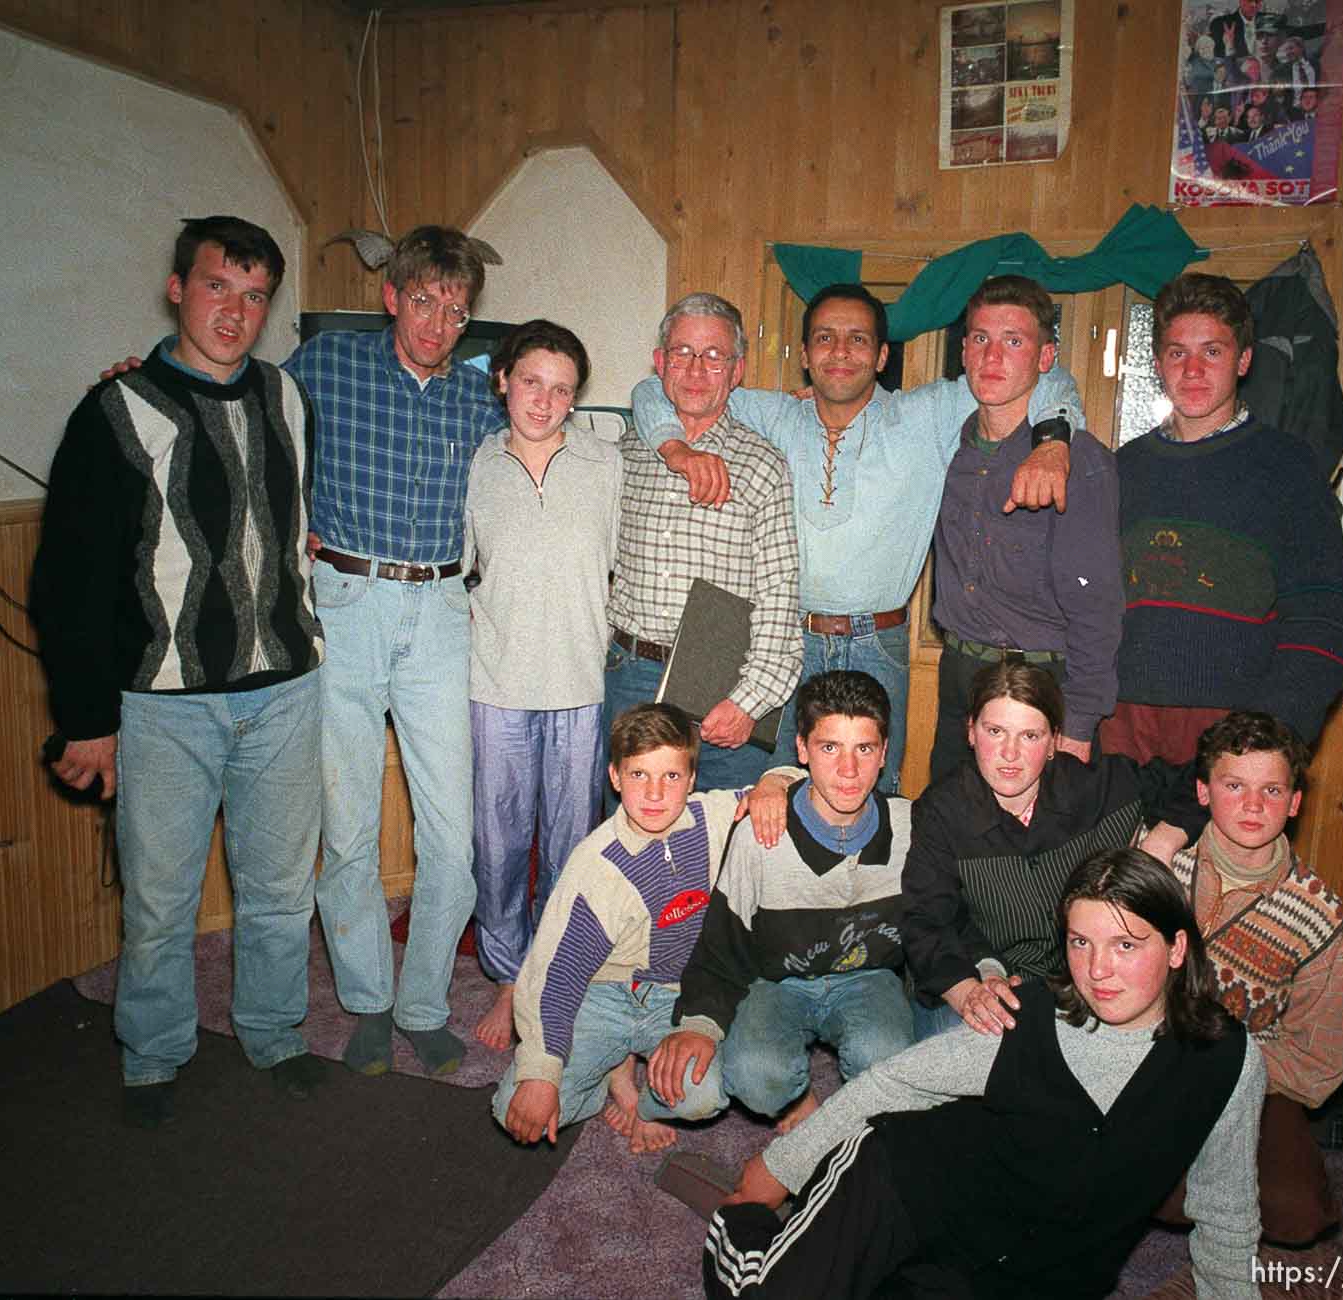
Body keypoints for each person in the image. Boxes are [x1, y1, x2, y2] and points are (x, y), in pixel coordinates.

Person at [33, 216, 325, 1128]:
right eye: (215, 287)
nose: (234, 312)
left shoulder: (286, 397)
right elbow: (68, 581)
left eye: (253, 295)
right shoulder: (114, 412)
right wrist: (87, 719)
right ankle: (155, 1055)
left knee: (281, 892)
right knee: (159, 902)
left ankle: (275, 1033)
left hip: (284, 690)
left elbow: (288, 526)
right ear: (176, 288)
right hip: (163, 706)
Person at [703, 848, 1266, 1300]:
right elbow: (893, 1082)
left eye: (1126, 944)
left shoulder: (1229, 1061)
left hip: (1014, 1277)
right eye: (1080, 943)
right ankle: (739, 1226)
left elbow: (1227, 1213)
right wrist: (778, 1170)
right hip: (903, 1190)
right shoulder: (1025, 1020)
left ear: (1176, 949)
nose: (1098, 970)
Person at [630, 283, 1082, 793]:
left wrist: (1052, 444)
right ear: (804, 355)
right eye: (825, 337)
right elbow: (652, 389)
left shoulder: (926, 415)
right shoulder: (774, 416)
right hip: (783, 647)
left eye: (858, 339)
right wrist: (675, 448)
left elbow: (1051, 378)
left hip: (878, 645)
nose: (840, 351)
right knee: (776, 796)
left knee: (872, 799)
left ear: (882, 355)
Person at [283, 226, 503, 1077]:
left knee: (453, 834)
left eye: (455, 309)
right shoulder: (324, 365)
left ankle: (422, 1005)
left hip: (444, 608)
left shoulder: (481, 400)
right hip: (346, 602)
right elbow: (244, 417)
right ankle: (370, 1002)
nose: (438, 323)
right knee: (347, 829)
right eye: (423, 301)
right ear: (391, 296)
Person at [1099, 272, 1343, 768]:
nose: (1193, 370)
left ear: (1244, 360)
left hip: (1235, 731)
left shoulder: (1288, 467)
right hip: (1122, 729)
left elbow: (1327, 616)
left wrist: (1267, 734)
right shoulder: (1122, 468)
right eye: (1178, 353)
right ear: (1158, 364)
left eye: (1212, 352)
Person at [492, 703, 776, 1154]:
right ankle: (614, 1073)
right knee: (515, 1107)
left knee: (703, 1095)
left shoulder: (711, 819)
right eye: (639, 775)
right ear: (615, 777)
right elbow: (556, 974)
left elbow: (800, 793)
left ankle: (642, 1101)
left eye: (671, 776)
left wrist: (775, 784)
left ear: (692, 779)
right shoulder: (595, 864)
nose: (656, 793)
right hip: (602, 995)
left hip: (675, 996)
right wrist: (541, 1072)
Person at [649, 671, 913, 1134]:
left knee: (886, 1060)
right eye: (830, 748)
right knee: (755, 1075)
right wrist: (700, 1024)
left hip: (869, 979)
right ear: (802, 750)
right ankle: (795, 1101)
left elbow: (941, 925)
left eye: (864, 749)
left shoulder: (912, 828)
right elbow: (721, 946)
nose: (848, 771)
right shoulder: (761, 834)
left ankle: (855, 1129)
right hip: (778, 983)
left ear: (885, 752)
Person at [462, 321, 622, 1051]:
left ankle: (553, 978)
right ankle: (504, 976)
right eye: (531, 381)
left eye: (562, 389)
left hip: (581, 682)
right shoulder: (474, 464)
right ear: (502, 379)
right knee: (497, 844)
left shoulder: (606, 463)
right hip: (495, 682)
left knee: (571, 844)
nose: (544, 400)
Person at [905, 662, 1206, 1039]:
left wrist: (1162, 840)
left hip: (1087, 984)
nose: (1009, 753)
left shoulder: (1098, 787)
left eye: (1030, 735)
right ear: (970, 731)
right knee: (957, 1045)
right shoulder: (942, 811)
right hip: (989, 975)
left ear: (1053, 742)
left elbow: (1207, 771)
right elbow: (927, 920)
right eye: (995, 731)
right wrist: (970, 990)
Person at [1157, 710, 1343, 1246]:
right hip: (1151, 1064)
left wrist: (1226, 1066)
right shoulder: (1163, 872)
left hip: (1253, 1079)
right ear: (1202, 792)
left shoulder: (1319, 915)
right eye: (1233, 785)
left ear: (1294, 803)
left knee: (1297, 1213)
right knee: (1132, 1179)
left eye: (1271, 790)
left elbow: (1320, 1064)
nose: (1251, 805)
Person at [605, 292, 802, 794]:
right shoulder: (621, 456)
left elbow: (780, 596)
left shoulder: (762, 465)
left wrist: (749, 700)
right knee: (631, 847)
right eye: (682, 353)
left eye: (714, 355)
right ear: (659, 364)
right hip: (629, 677)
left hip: (723, 687)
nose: (696, 369)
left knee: (722, 850)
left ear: (737, 370)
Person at [929, 274, 1122, 783]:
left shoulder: (1077, 462)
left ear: (1045, 357)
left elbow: (1097, 609)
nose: (993, 358)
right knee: (949, 834)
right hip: (960, 676)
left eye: (1013, 341)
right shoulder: (942, 449)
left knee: (1036, 851)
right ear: (964, 352)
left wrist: (1078, 725)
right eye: (980, 340)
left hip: (1043, 683)